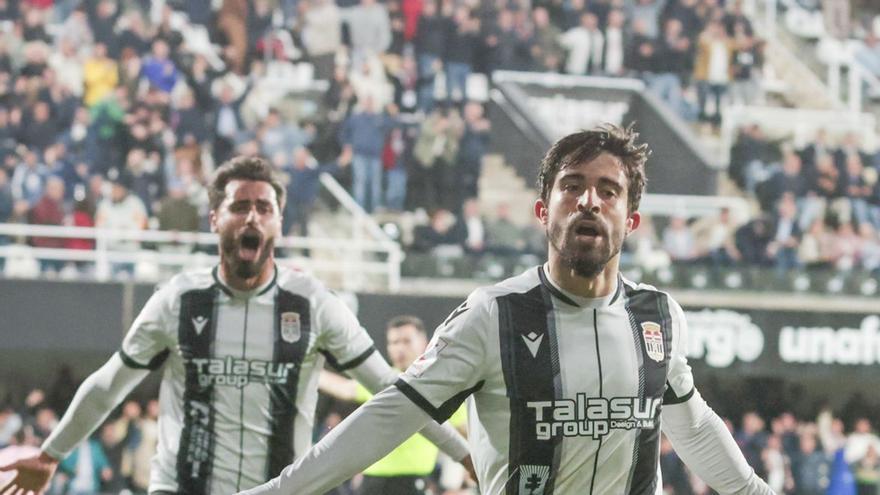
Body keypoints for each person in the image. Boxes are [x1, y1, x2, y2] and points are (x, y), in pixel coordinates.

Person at [238, 125, 774, 494]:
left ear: (631, 220)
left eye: (609, 191)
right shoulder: (492, 316)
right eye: (573, 187)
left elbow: (694, 428)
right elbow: (387, 418)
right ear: (544, 212)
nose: (589, 201)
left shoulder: (659, 316)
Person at [0, 156, 469, 495]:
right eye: (239, 206)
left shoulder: (315, 306)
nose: (252, 216)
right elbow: (109, 385)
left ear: (279, 224)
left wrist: (466, 454)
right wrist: (50, 454)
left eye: (264, 208)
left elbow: (393, 391)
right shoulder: (177, 301)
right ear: (214, 219)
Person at [318, 315, 467, 495]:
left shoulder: (440, 386)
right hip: (372, 481)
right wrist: (307, 371)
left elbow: (467, 435)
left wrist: (463, 482)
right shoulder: (384, 382)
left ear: (425, 343)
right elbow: (345, 389)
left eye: (406, 341)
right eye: (394, 342)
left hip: (412, 480)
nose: (399, 348)